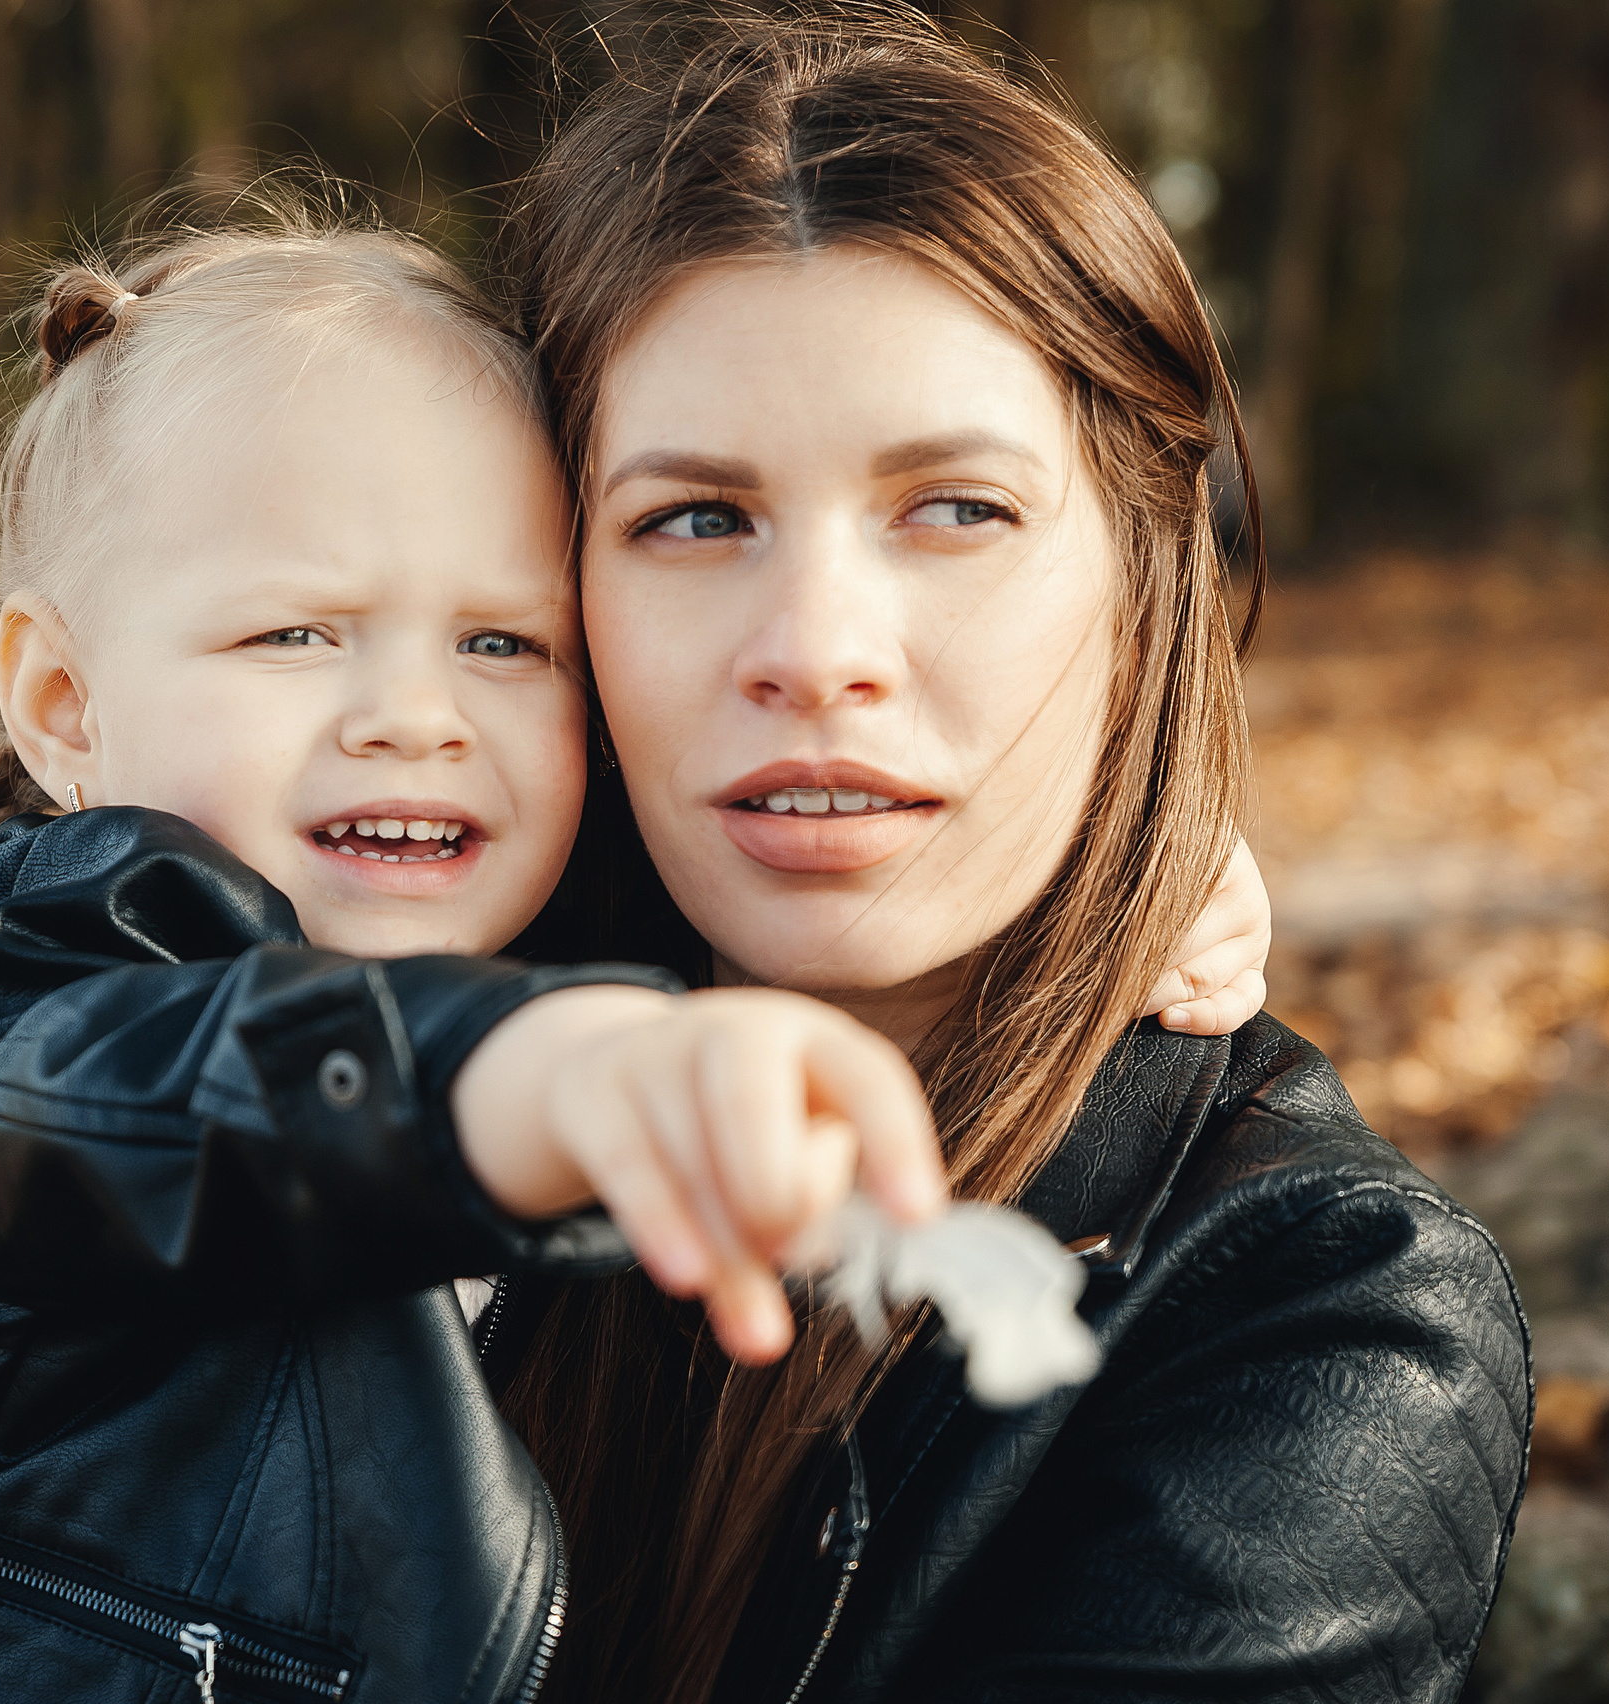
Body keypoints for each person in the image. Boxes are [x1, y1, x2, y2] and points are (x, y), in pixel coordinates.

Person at [0, 202, 1270, 1702]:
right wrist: (519, 1070)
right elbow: (155, 1098)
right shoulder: (41, 975)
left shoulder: (497, 927)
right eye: (297, 634)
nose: (419, 718)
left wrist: (1124, 874)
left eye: (505, 642)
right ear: (65, 703)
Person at [474, 10, 1536, 1702]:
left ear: (1141, 591)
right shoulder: (386, 1085)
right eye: (694, 518)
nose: (816, 649)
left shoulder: (1314, 1319)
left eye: (954, 509)